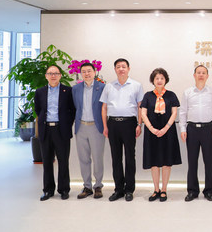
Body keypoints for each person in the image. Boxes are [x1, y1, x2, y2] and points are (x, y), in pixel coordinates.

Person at [100, 58, 144, 202]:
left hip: (129, 123)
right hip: (113, 124)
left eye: (123, 66)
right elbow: (104, 107)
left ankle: (129, 189)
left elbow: (140, 107)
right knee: (116, 157)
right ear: (115, 69)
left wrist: (139, 124)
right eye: (118, 67)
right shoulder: (109, 86)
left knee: (130, 157)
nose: (121, 69)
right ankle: (118, 189)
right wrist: (105, 126)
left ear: (128, 69)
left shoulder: (136, 85)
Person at [179, 65, 212, 202]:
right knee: (192, 162)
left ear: (207, 76)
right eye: (198, 72)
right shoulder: (187, 92)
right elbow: (183, 112)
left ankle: (209, 191)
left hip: (208, 129)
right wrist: (183, 129)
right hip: (192, 129)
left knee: (209, 162)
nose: (201, 75)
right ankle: (192, 191)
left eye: (203, 73)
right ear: (194, 75)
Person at [140, 68, 182, 202]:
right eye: (157, 78)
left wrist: (166, 128)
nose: (159, 81)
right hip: (151, 132)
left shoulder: (171, 95)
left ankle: (164, 189)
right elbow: (143, 114)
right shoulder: (148, 95)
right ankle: (156, 189)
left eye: (162, 78)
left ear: (166, 80)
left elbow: (174, 113)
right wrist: (151, 129)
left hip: (168, 131)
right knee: (154, 162)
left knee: (166, 162)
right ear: (153, 80)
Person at [35, 65, 75, 201]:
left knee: (63, 161)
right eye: (50, 73)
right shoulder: (39, 92)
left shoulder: (67, 91)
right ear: (46, 76)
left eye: (56, 73)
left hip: (61, 130)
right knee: (47, 161)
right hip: (45, 130)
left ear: (60, 75)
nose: (53, 76)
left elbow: (72, 110)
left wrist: (66, 124)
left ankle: (64, 190)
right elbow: (38, 109)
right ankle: (48, 190)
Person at [72, 62, 106, 199]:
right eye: (84, 71)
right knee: (83, 158)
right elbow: (75, 106)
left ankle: (98, 186)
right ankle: (87, 186)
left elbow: (105, 107)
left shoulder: (102, 87)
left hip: (96, 126)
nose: (87, 74)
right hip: (81, 126)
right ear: (81, 74)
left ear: (94, 72)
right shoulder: (76, 89)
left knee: (98, 158)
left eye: (89, 71)